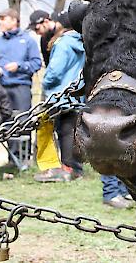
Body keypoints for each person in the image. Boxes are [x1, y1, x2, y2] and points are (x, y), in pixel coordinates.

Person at [34, 10, 84, 182]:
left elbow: (54, 71)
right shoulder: (81, 42)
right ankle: (74, 167)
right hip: (76, 93)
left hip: (59, 94)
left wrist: (45, 82)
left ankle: (66, 167)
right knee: (71, 131)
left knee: (63, 131)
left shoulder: (63, 44)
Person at [0, 8, 42, 114]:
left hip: (21, 88)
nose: (0, 22)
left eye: (3, 19)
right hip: (1, 88)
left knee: (22, 123)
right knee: (4, 125)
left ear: (14, 21)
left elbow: (36, 63)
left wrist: (19, 66)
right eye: (0, 19)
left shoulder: (28, 41)